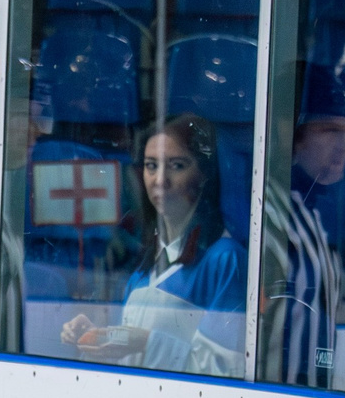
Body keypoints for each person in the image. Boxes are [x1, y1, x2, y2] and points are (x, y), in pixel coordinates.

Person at [59, 114, 247, 377]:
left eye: (177, 166)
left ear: (204, 174)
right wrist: (97, 336)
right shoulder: (146, 263)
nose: (160, 179)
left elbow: (227, 371)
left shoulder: (225, 260)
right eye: (151, 165)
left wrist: (142, 342)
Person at [259, 71, 345, 386]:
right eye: (330, 129)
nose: (344, 144)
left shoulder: (312, 216)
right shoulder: (265, 215)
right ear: (292, 131)